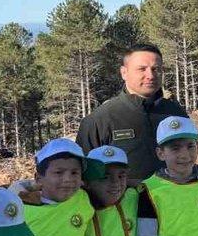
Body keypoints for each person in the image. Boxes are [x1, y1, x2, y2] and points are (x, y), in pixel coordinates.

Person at [78, 43, 188, 184]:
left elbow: (189, 157)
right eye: (142, 69)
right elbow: (83, 175)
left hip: (173, 202)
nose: (150, 75)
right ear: (124, 73)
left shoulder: (175, 113)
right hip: (125, 204)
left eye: (156, 69)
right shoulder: (100, 120)